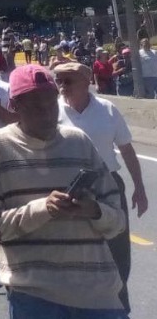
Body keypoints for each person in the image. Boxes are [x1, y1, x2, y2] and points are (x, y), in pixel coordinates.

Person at [0, 64, 127, 317]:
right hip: (35, 297)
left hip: (98, 295)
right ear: (15, 106)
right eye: (36, 106)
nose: (47, 113)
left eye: (51, 103)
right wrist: (42, 209)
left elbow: (118, 220)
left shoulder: (79, 141)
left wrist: (94, 211)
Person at [54, 61, 147, 313]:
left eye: (68, 80)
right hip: (70, 190)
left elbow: (127, 150)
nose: (62, 86)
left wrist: (139, 188)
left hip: (108, 186)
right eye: (59, 80)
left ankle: (120, 307)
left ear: (86, 81)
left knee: (117, 249)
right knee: (77, 253)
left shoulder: (107, 110)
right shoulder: (53, 112)